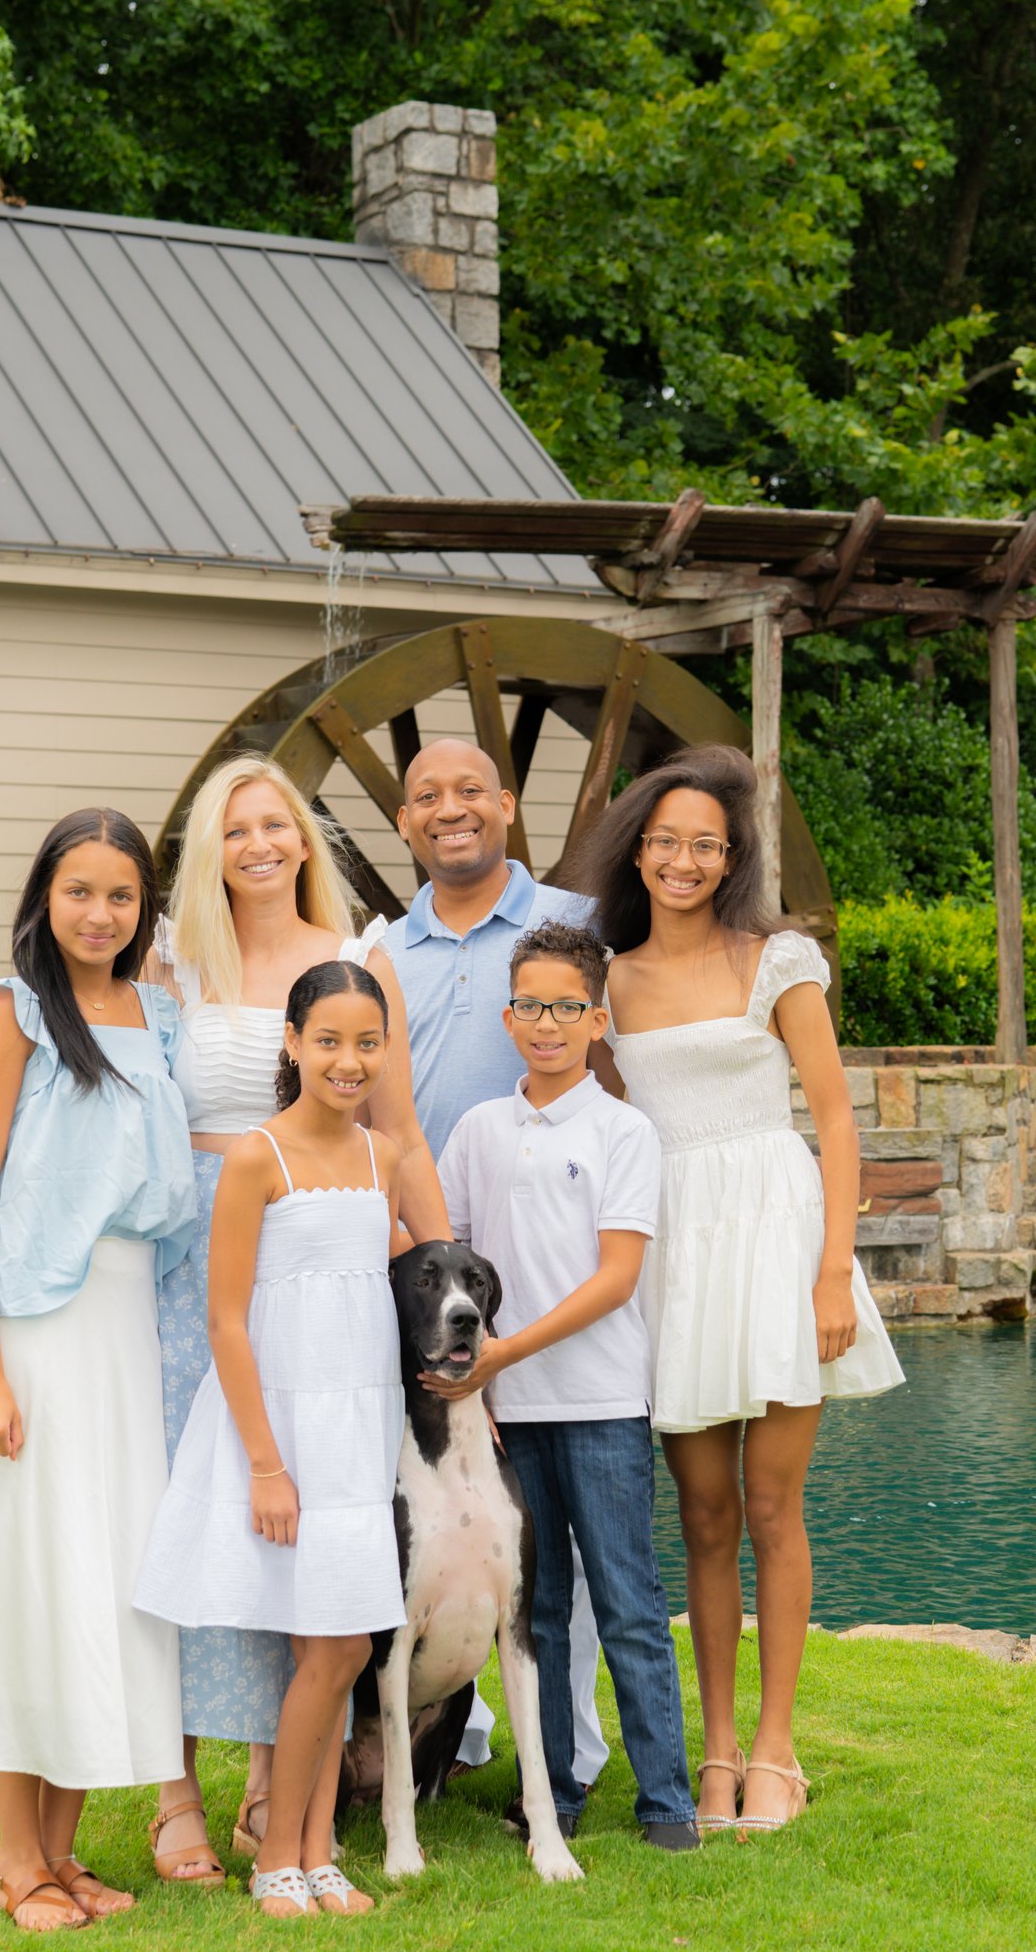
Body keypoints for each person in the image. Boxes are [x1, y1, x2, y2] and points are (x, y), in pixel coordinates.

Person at [573, 745, 901, 1836]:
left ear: (731, 858)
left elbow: (836, 1117)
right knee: (705, 1515)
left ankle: (775, 1747)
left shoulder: (777, 960)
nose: (683, 860)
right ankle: (714, 1754)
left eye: (705, 845)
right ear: (638, 851)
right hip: (674, 1243)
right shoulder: (609, 980)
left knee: (771, 1504)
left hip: (774, 1231)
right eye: (665, 841)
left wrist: (831, 1271)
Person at [146, 760, 437, 1878]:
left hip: (317, 1258)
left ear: (305, 839)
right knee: (190, 1515)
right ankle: (173, 1786)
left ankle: (277, 1785)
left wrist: (443, 1283)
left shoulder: (356, 957)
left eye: (276, 824)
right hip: (194, 1257)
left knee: (303, 1520)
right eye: (235, 829)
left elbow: (399, 1135)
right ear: (208, 850)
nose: (259, 844)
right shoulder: (173, 961)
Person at [0, 809, 197, 1932]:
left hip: (126, 1331)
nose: (99, 913)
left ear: (145, 908)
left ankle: (64, 1851)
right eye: (79, 890)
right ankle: (15, 1860)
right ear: (44, 895)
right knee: (31, 1579)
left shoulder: (157, 1016)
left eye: (121, 895)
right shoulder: (9, 1015)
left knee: (109, 1578)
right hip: (35, 1330)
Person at [426, 922, 700, 1854]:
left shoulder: (624, 1131)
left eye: (567, 1007)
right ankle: (554, 1794)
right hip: (508, 1417)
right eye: (531, 1006)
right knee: (535, 1612)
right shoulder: (478, 1131)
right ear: (508, 1018)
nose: (548, 1023)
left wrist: (504, 1352)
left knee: (627, 1602)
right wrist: (479, 1371)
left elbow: (616, 1279)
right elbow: (451, 1260)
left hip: (601, 1406)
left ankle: (667, 1802)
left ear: (597, 1019)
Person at [380, 737, 612, 1795]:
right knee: (443, 1505)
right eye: (427, 796)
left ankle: (568, 1752)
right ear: (403, 823)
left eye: (470, 790)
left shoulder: (571, 923)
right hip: (425, 1270)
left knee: (546, 1521)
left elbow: (619, 1067)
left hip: (543, 1250)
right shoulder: (385, 948)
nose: (450, 809)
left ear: (508, 804)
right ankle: (452, 1736)